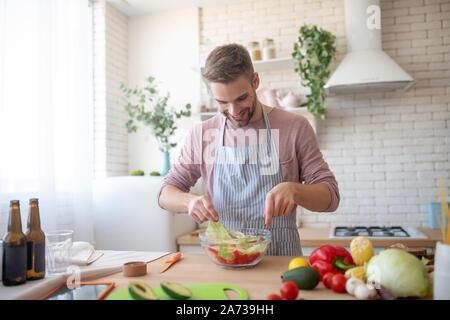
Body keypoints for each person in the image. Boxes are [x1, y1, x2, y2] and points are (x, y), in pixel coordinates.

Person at [158, 43, 339, 255]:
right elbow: (165, 193)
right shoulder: (203, 134)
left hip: (282, 261)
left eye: (241, 98)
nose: (234, 111)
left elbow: (331, 197)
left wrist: (295, 190)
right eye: (222, 102)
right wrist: (189, 202)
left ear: (255, 81)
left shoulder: (294, 127)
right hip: (226, 260)